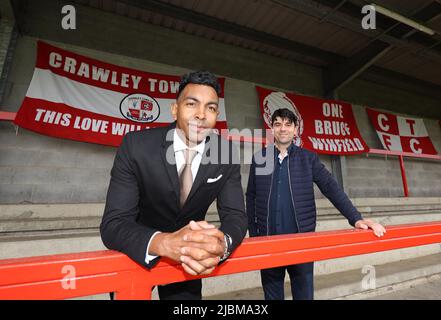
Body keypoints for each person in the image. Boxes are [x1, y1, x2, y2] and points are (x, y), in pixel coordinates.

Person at [101, 70, 247, 300]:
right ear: (175, 109)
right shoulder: (136, 146)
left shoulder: (226, 153)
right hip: (138, 253)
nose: (201, 115)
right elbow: (113, 224)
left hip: (189, 264)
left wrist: (221, 245)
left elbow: (236, 216)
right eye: (192, 104)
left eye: (210, 108)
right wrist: (164, 243)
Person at [246, 108, 386, 300]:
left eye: (288, 124)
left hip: (302, 241)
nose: (283, 128)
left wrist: (356, 218)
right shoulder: (259, 159)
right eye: (277, 124)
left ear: (296, 130)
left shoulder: (308, 158)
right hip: (268, 242)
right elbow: (251, 197)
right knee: (271, 296)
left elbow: (331, 188)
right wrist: (255, 236)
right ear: (272, 129)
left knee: (304, 295)